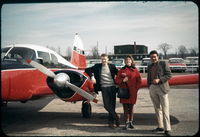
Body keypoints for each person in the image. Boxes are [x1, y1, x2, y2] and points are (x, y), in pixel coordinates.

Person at [85, 53, 120, 129]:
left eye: (105, 59)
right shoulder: (97, 66)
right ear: (101, 60)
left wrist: (123, 77)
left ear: (108, 60)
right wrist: (92, 76)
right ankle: (116, 116)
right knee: (106, 105)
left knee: (112, 105)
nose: (104, 60)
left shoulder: (112, 66)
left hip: (112, 87)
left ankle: (111, 123)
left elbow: (119, 74)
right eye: (102, 59)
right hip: (104, 87)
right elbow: (87, 70)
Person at [147, 50, 172, 136]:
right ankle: (160, 126)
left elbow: (169, 75)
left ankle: (167, 129)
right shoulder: (149, 66)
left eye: (154, 56)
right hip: (153, 88)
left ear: (158, 56)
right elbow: (148, 77)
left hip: (162, 88)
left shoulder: (163, 63)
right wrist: (149, 87)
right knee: (157, 108)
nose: (153, 58)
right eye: (151, 57)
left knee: (165, 109)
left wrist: (160, 80)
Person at [115, 55, 141, 130]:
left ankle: (131, 122)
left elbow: (139, 81)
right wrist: (122, 81)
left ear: (132, 61)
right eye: (126, 60)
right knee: (125, 108)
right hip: (124, 91)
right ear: (125, 61)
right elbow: (116, 80)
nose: (128, 61)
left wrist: (136, 89)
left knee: (131, 108)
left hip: (133, 92)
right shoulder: (121, 70)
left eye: (129, 60)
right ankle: (126, 122)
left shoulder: (135, 70)